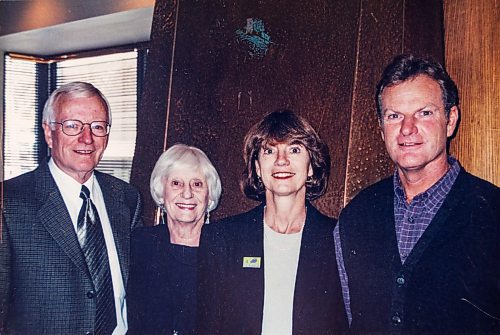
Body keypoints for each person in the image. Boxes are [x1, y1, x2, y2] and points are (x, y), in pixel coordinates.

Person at [335, 54, 499, 334]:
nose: (407, 129)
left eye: (424, 113)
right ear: (381, 128)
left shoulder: (493, 212)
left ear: (450, 120)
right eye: (394, 116)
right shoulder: (357, 215)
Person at [0, 82, 143, 335]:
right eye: (72, 126)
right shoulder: (8, 202)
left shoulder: (126, 198)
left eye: (97, 127)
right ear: (48, 132)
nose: (86, 139)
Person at [198, 110, 348, 334]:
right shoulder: (222, 238)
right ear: (258, 168)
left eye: (294, 150)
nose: (281, 160)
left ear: (311, 166)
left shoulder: (339, 240)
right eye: (269, 151)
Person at [127, 144, 222, 335]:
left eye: (197, 184)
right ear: (162, 192)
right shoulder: (139, 243)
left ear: (209, 195)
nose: (187, 193)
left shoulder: (224, 250)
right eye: (176, 183)